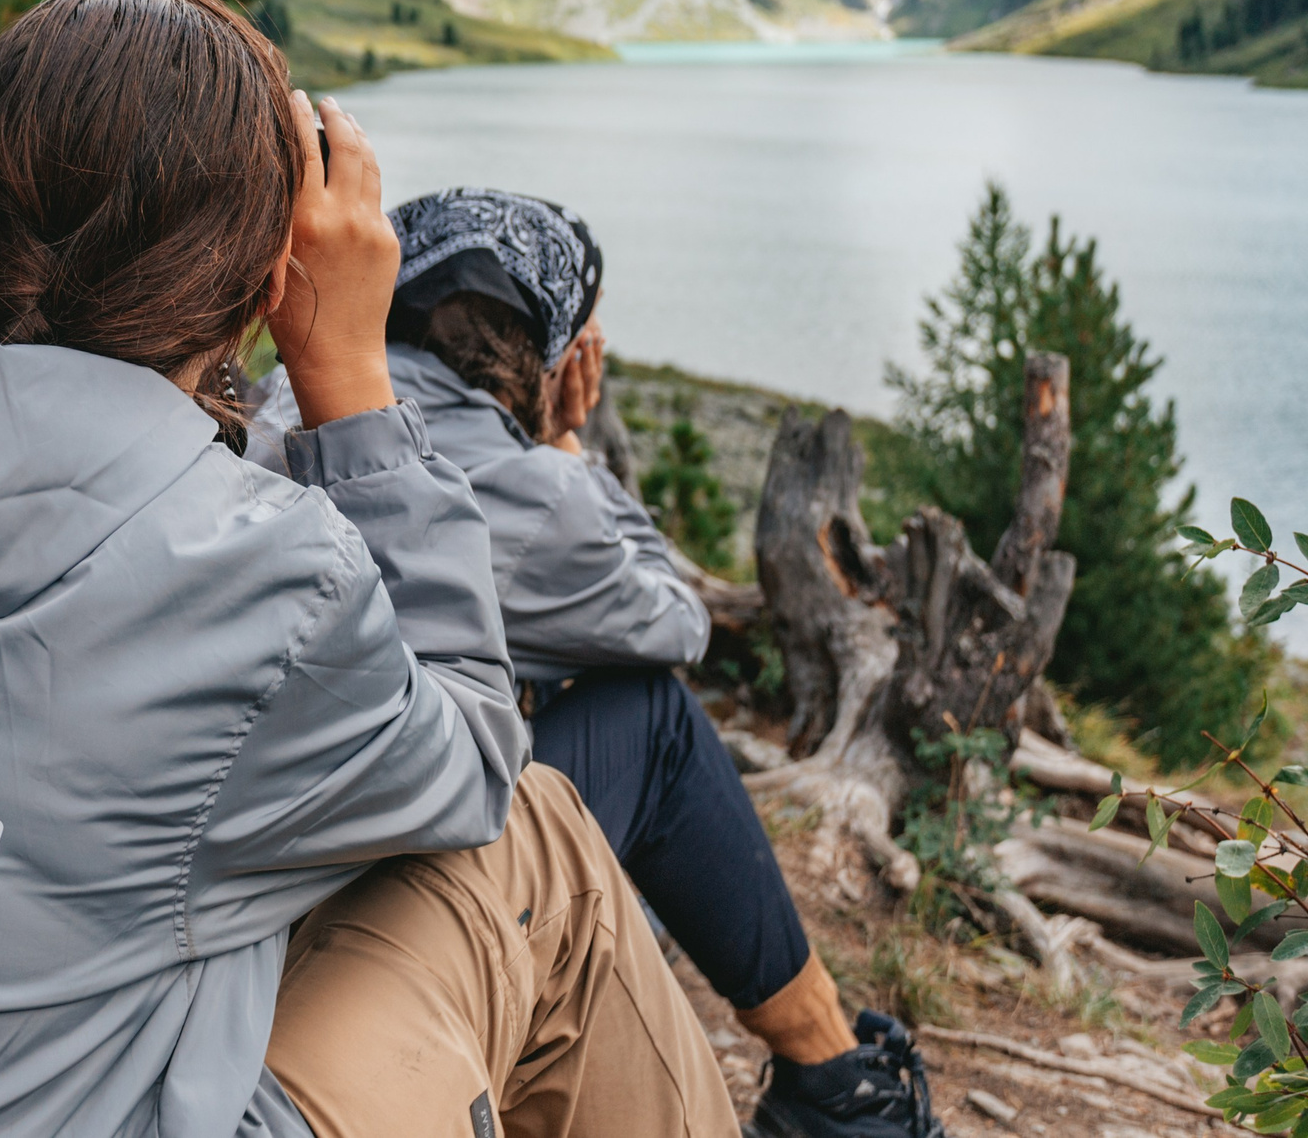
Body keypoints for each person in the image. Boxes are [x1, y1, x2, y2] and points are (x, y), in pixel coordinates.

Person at [0, 0, 740, 1138]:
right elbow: (473, 759)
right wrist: (348, 377)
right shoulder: (254, 573)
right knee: (535, 835)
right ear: (263, 274)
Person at [253, 187, 944, 1138]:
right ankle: (835, 1081)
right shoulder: (534, 491)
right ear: (551, 349)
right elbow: (675, 622)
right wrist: (571, 445)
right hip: (374, 890)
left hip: (274, 856)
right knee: (650, 716)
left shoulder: (275, 399)